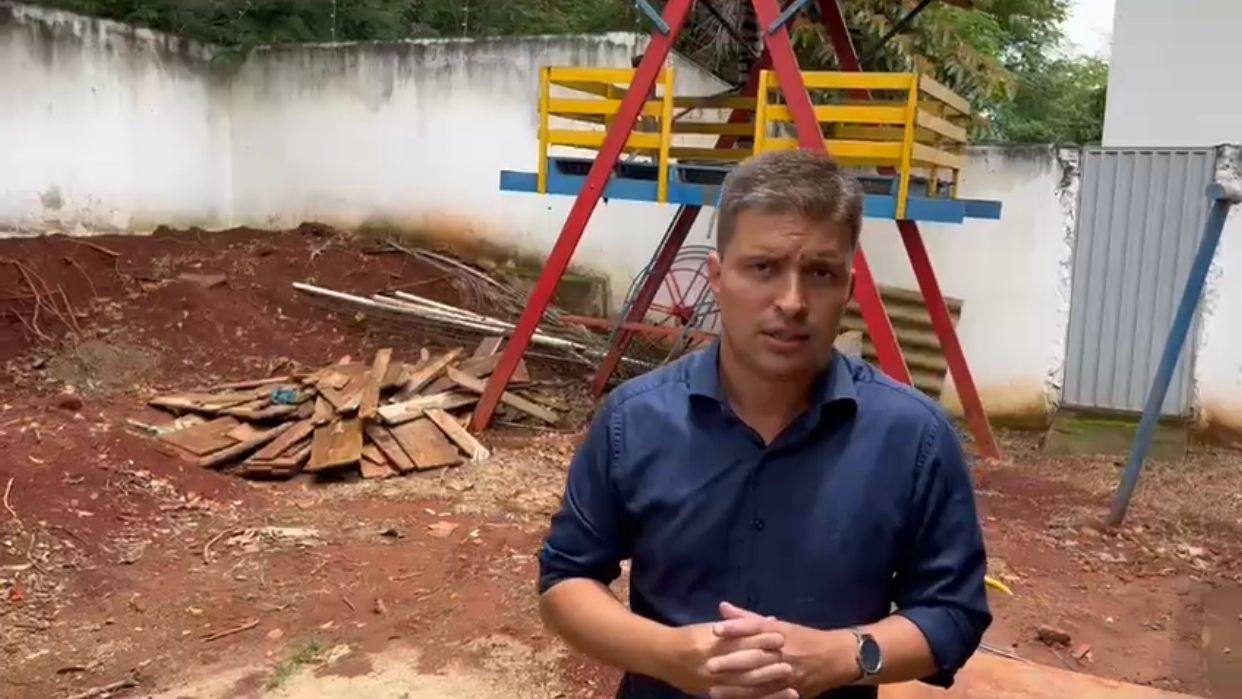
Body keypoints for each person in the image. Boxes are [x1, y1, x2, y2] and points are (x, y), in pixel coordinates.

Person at [537, 150, 991, 699]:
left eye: (820, 273)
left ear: (848, 289)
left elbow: (953, 611)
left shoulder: (913, 437)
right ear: (716, 277)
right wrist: (670, 656)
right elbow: (566, 578)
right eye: (763, 268)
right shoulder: (633, 421)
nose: (792, 302)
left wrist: (845, 655)